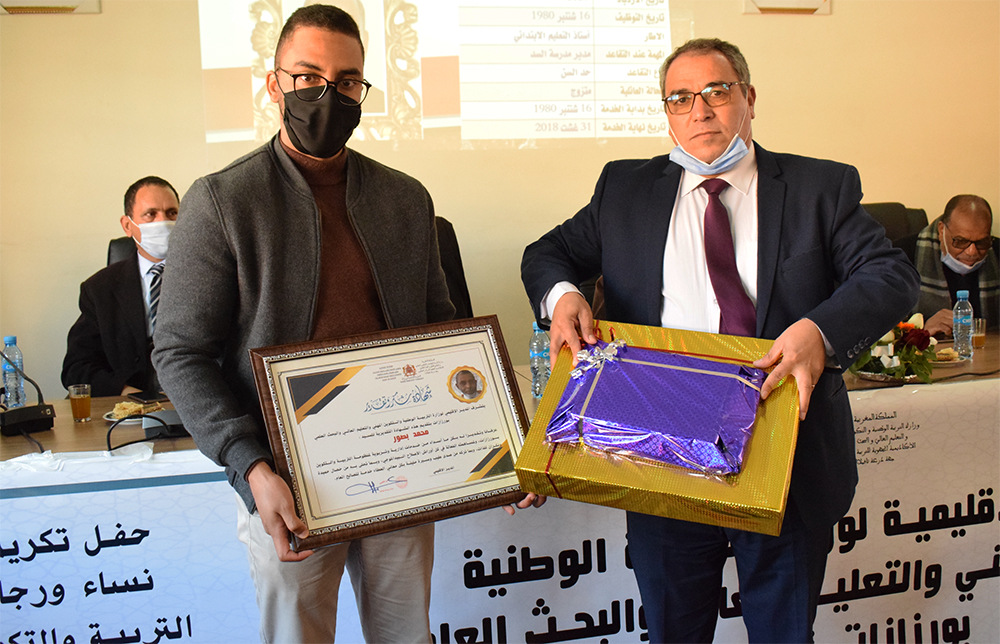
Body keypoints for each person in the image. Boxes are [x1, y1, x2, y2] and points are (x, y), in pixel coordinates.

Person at [521, 38, 919, 643]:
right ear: (668, 114)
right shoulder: (624, 189)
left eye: (716, 91)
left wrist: (819, 331)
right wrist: (563, 297)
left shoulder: (820, 187)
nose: (700, 109)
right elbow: (546, 254)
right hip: (658, 452)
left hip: (788, 458)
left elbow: (890, 276)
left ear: (749, 99)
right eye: (680, 98)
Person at [151, 6, 458, 642]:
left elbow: (441, 332)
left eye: (347, 82)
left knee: (408, 634)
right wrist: (250, 467)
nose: (328, 94)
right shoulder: (221, 201)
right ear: (274, 84)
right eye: (308, 77)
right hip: (288, 481)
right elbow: (180, 352)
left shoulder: (407, 199)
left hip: (402, 464)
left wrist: (486, 443)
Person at [61, 176, 179, 396]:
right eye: (150, 214)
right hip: (130, 405)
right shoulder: (99, 289)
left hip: (196, 400)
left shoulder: (211, 276)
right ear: (127, 225)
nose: (163, 222)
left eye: (172, 213)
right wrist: (126, 392)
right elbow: (77, 368)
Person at [895, 195, 998, 335]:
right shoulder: (901, 256)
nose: (972, 252)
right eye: (961, 241)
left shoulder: (996, 254)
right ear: (941, 230)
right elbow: (882, 330)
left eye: (981, 242)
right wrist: (922, 331)